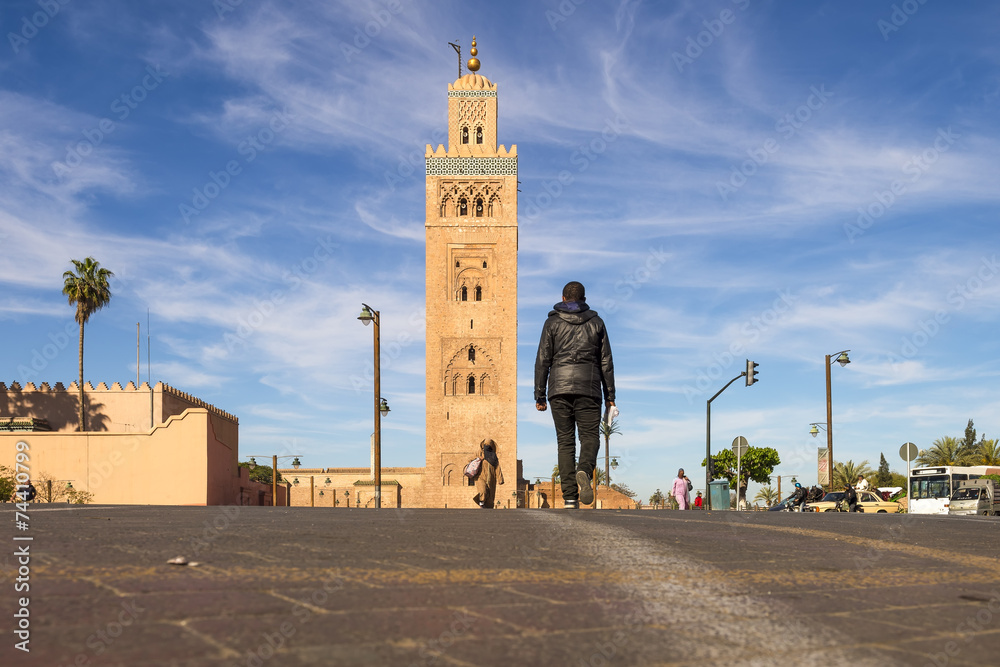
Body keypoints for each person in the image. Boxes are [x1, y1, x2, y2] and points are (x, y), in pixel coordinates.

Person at [534, 281, 615, 509]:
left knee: (565, 442)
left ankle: (570, 497)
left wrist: (540, 395)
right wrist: (610, 395)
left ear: (563, 298)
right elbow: (606, 361)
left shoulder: (551, 323)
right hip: (589, 388)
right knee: (589, 437)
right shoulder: (597, 323)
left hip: (558, 389)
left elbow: (542, 360)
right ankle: (584, 470)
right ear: (584, 299)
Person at [473, 438, 504, 509]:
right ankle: (481, 503)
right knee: (482, 490)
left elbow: (497, 468)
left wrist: (500, 479)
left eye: (488, 445)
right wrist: (478, 458)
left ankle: (487, 507)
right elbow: (469, 460)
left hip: (491, 478)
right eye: (485, 445)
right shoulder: (479, 453)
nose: (486, 447)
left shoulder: (494, 457)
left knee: (490, 494)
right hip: (480, 477)